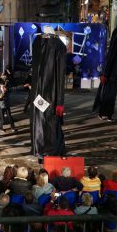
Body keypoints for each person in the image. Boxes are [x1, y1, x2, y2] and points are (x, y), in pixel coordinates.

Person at [30, 25, 66, 157]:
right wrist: (60, 101)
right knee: (50, 121)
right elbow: (60, 75)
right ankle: (50, 150)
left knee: (39, 119)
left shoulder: (36, 43)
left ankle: (39, 148)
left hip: (37, 92)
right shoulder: (58, 45)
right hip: (51, 92)